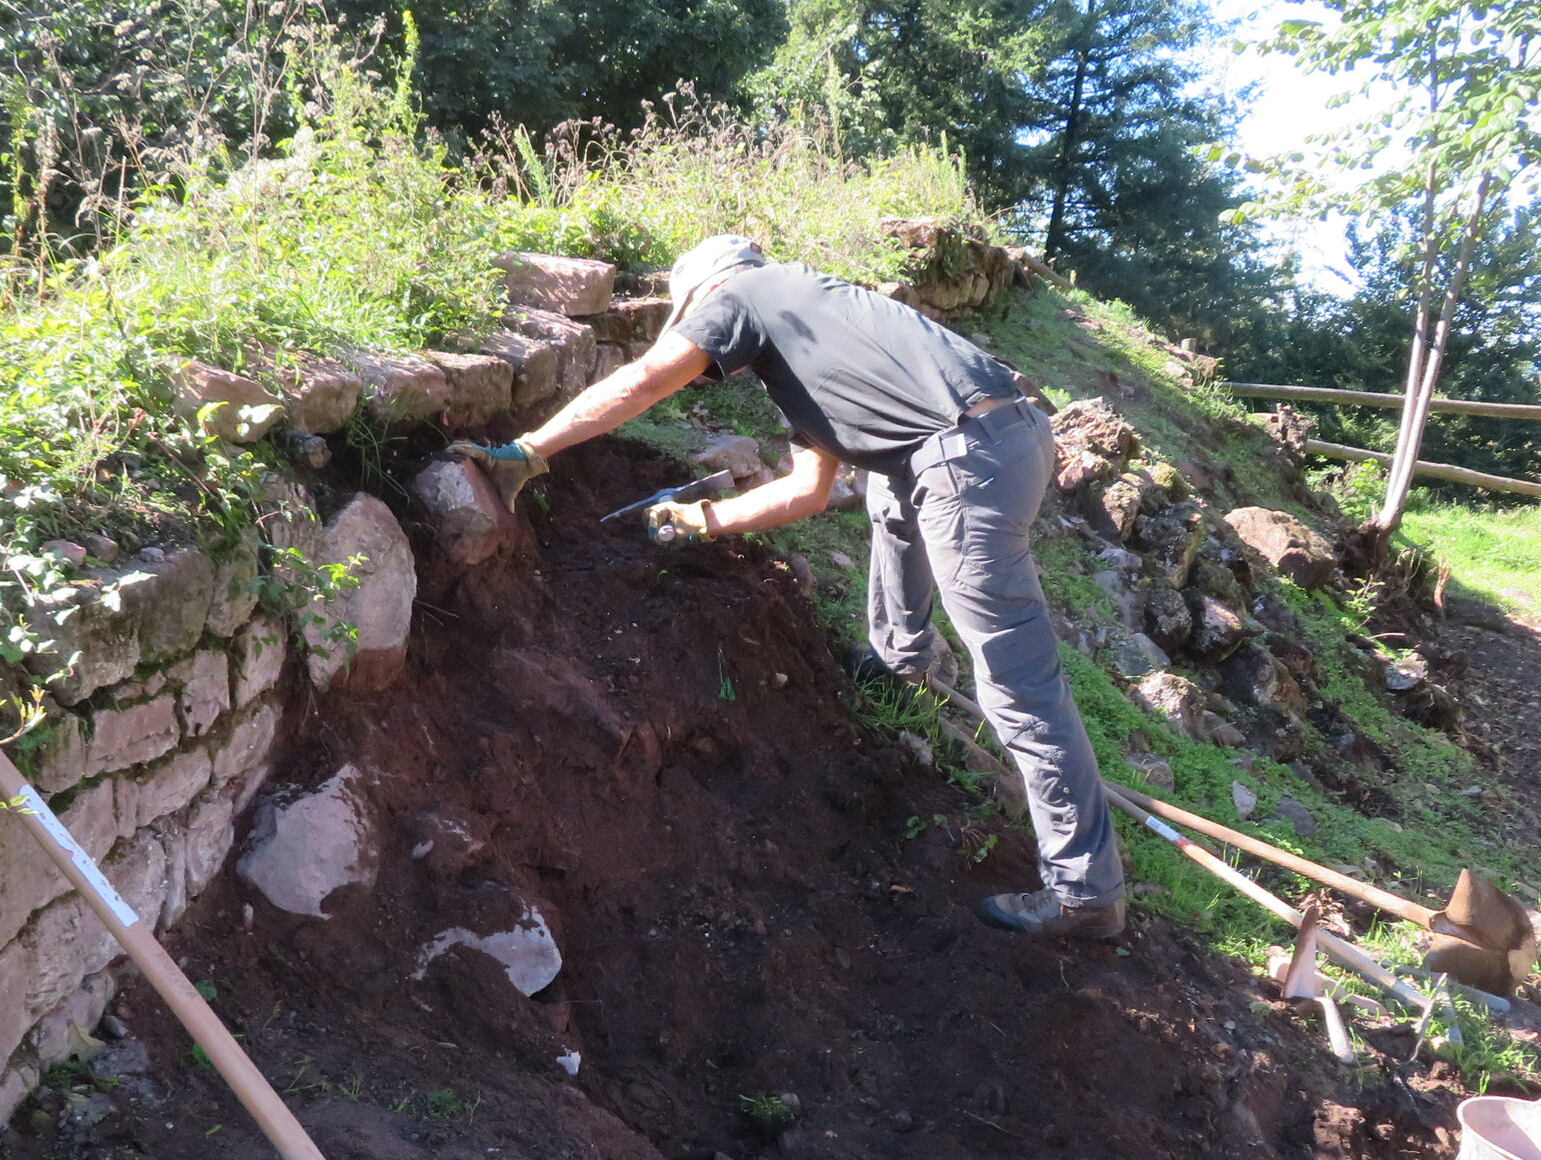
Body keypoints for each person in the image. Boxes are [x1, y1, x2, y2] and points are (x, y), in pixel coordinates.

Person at [458, 234, 1125, 938]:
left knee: (1018, 683)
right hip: (998, 436)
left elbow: (646, 380)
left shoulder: (743, 293)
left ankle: (1085, 892)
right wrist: (705, 520)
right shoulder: (814, 328)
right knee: (892, 497)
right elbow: (809, 491)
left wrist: (529, 451)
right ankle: (900, 657)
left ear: (705, 297)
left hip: (968, 462)